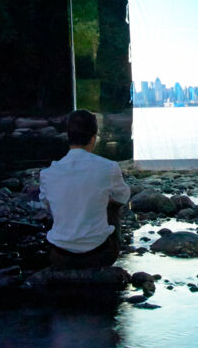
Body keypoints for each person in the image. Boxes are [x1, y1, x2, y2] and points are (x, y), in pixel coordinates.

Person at [39, 110, 130, 269]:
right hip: (100, 255)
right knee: (113, 206)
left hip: (59, 256)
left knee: (58, 204)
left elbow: (45, 204)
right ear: (94, 138)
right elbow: (123, 197)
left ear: (68, 137)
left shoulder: (48, 173)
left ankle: (66, 239)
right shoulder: (108, 167)